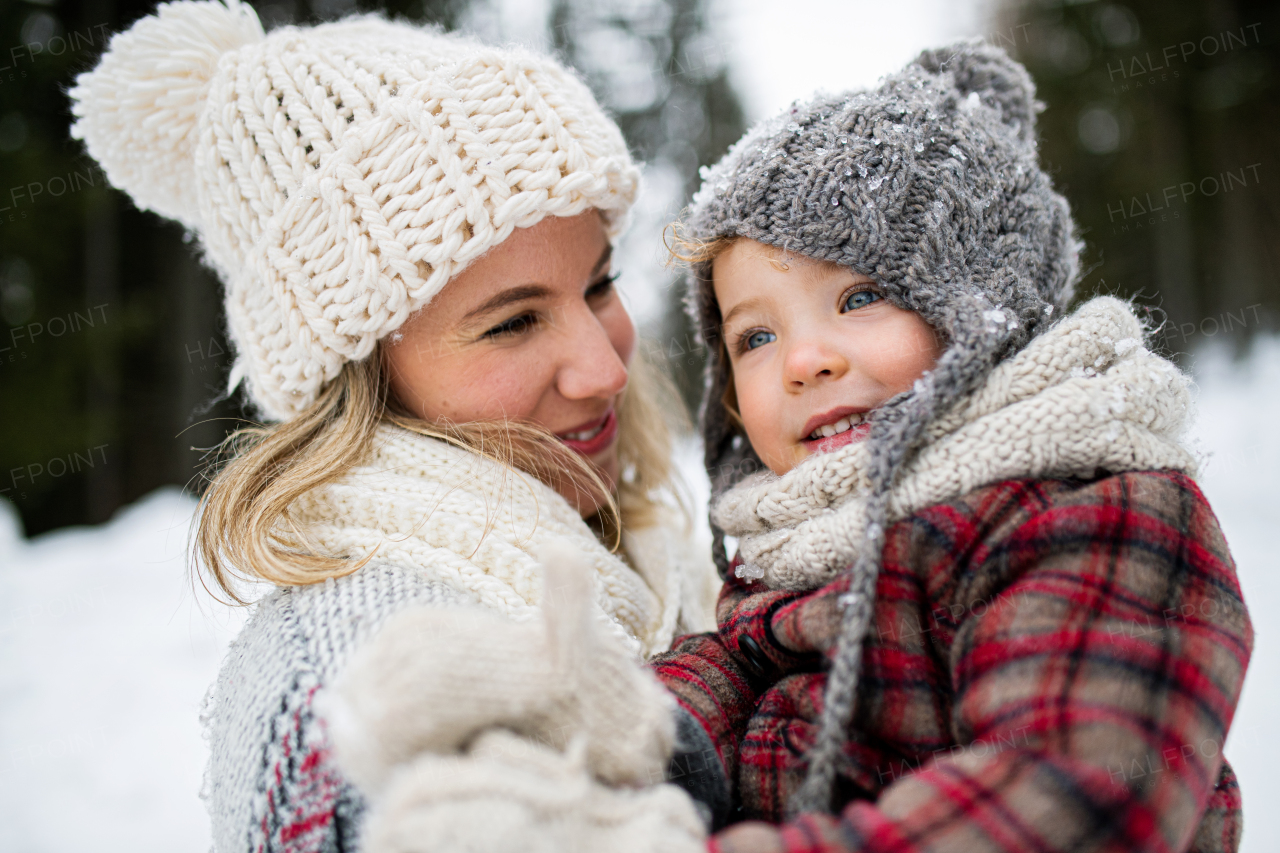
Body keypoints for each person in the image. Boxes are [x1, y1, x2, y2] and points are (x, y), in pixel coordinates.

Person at [69, 2, 718, 850]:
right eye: (513, 322)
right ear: (361, 376)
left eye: (598, 284)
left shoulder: (640, 554)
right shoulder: (375, 687)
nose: (604, 368)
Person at [648, 40, 1253, 852]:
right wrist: (616, 737)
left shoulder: (1090, 508)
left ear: (984, 303)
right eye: (755, 334)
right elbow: (729, 671)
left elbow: (1077, 788)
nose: (804, 359)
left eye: (860, 296)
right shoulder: (800, 539)